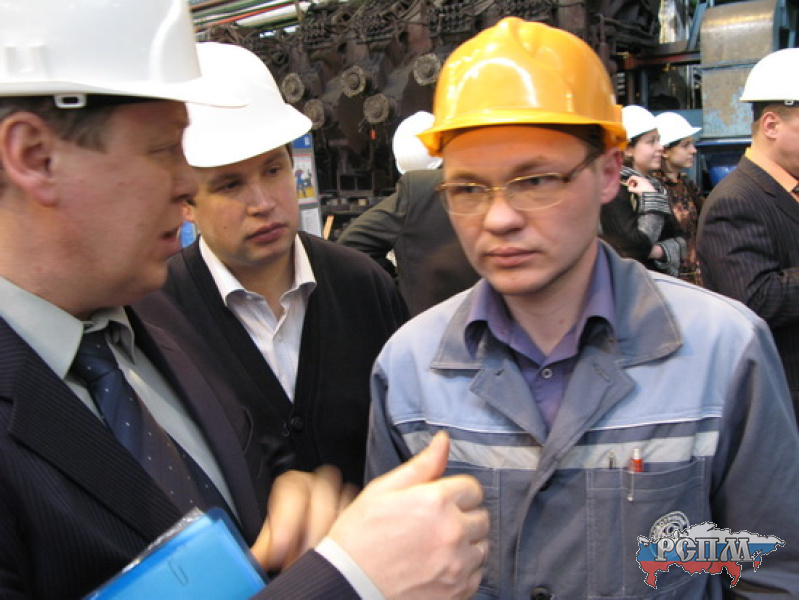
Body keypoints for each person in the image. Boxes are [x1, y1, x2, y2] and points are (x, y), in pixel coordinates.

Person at [0, 1, 489, 598]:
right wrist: (345, 577)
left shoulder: (136, 334)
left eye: (272, 170)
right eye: (162, 150)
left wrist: (267, 515)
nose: (187, 185)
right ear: (34, 156)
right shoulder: (162, 311)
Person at [366, 17, 799, 598]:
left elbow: (770, 575)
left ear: (607, 174)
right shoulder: (409, 371)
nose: (499, 218)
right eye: (468, 189)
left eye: (536, 180)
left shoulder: (721, 352)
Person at [139, 42, 408, 486]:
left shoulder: (363, 286)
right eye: (230, 185)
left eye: (273, 170)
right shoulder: (156, 317)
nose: (263, 203)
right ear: (185, 201)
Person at [697, 47, 799, 420]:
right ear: (771, 125)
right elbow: (754, 299)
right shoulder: (736, 201)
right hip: (781, 401)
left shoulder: (789, 189)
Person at [338, 111, 479, 316]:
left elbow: (352, 244)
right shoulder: (485, 181)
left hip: (428, 322)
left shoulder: (415, 190)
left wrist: (396, 286)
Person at [600, 105, 686, 276]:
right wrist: (651, 199)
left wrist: (656, 252)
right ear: (628, 149)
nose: (660, 147)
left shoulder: (654, 185)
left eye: (659, 140)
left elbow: (682, 242)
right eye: (651, 141)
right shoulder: (615, 188)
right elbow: (633, 250)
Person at [651, 111, 704, 285]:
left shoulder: (687, 184)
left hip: (695, 279)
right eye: (685, 145)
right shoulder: (652, 188)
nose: (693, 150)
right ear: (665, 151)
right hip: (668, 280)